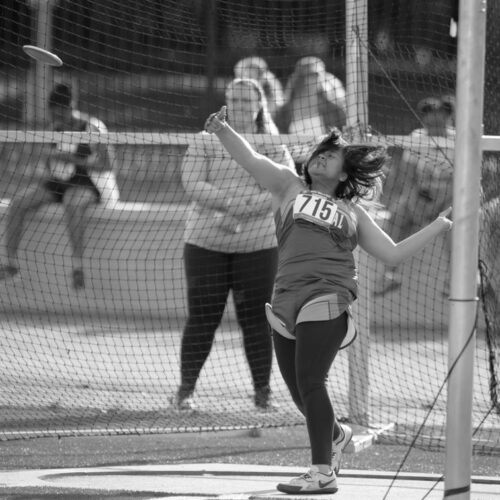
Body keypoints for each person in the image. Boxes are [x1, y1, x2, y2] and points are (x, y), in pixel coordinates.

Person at [204, 106, 452, 494]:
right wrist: (223, 130)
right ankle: (337, 436)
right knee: (302, 392)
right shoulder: (289, 186)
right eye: (319, 152)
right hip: (285, 300)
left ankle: (322, 473)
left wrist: (438, 225)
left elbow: (391, 254)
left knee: (311, 382)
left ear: (345, 173)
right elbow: (251, 159)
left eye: (330, 155)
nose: (320, 157)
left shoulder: (353, 211)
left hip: (328, 296)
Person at [176, 78, 295, 411]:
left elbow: (284, 187)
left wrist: (242, 211)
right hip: (205, 243)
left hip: (258, 247)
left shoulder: (273, 143)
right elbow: (192, 182)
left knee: (258, 321)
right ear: (225, 101)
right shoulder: (204, 141)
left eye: (248, 101)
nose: (241, 106)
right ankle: (185, 393)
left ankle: (262, 394)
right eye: (235, 100)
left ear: (260, 106)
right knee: (202, 318)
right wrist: (229, 204)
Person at [0, 83, 119, 290]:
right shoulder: (54, 127)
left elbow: (109, 165)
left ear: (70, 106)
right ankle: (10, 265)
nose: (57, 118)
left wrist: (72, 160)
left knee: (72, 203)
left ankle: (77, 268)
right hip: (60, 183)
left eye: (60, 113)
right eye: (53, 114)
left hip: (89, 183)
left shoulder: (92, 127)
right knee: (18, 202)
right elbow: (49, 165)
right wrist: (51, 160)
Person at [376, 95, 455, 295]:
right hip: (421, 197)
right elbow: (408, 177)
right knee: (397, 216)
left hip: (450, 198)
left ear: (448, 118)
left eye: (438, 120)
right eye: (428, 120)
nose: (432, 125)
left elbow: (461, 181)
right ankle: (389, 275)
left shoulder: (458, 139)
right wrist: (414, 204)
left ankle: (453, 279)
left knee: (456, 223)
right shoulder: (417, 137)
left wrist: (441, 204)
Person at [274, 56, 347, 170]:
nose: (313, 79)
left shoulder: (333, 108)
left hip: (327, 166)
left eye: (317, 75)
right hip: (293, 166)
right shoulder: (284, 111)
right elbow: (277, 141)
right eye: (309, 75)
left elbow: (345, 137)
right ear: (299, 78)